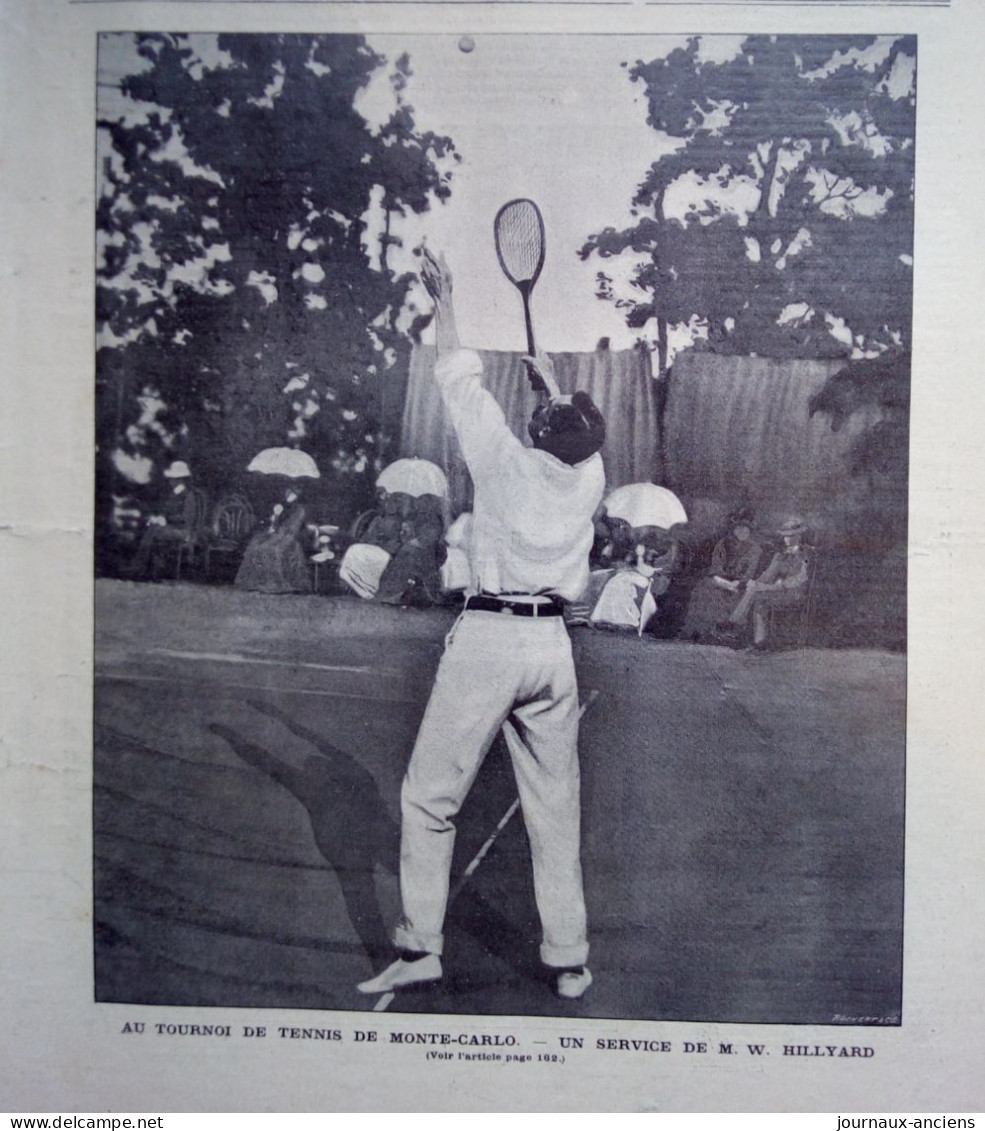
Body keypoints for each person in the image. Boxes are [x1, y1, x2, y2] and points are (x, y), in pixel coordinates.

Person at [357, 248, 606, 1001]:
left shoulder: (503, 460)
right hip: (553, 650)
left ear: (537, 429)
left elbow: (456, 373)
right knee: (554, 805)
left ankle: (418, 946)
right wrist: (554, 391)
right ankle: (568, 956)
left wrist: (448, 296)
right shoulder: (589, 478)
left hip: (492, 641)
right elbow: (572, 436)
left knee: (429, 797)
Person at [681, 510, 764, 642]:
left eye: (745, 528)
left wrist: (737, 583)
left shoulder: (755, 549)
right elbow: (716, 567)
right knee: (704, 587)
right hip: (721, 580)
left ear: (750, 530)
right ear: (734, 529)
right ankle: (703, 630)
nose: (742, 531)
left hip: (741, 584)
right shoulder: (722, 544)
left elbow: (750, 572)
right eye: (739, 528)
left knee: (736, 595)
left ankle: (728, 631)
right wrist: (723, 582)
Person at [728, 515, 809, 648]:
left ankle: (733, 623)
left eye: (791, 535)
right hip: (776, 590)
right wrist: (756, 583)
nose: (787, 539)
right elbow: (768, 575)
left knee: (755, 592)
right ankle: (759, 642)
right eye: (785, 536)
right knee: (757, 596)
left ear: (799, 536)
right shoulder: (779, 555)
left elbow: (801, 578)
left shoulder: (805, 554)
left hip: (794, 592)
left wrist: (778, 586)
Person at [123, 460, 198, 578]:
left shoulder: (188, 495)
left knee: (154, 531)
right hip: (170, 527)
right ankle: (144, 569)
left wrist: (166, 519)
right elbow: (165, 511)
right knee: (149, 528)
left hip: (181, 531)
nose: (171, 481)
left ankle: (139, 569)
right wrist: (158, 518)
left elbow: (186, 518)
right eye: (171, 478)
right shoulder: (173, 495)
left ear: (180, 479)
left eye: (173, 478)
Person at [234, 484, 312, 594]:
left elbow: (294, 528)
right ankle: (258, 582)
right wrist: (275, 516)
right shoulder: (283, 506)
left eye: (293, 493)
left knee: (273, 549)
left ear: (299, 495)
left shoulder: (300, 509)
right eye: (288, 492)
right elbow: (273, 523)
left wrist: (278, 529)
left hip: (292, 538)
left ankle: (275, 583)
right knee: (256, 546)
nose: (289, 495)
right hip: (278, 534)